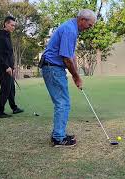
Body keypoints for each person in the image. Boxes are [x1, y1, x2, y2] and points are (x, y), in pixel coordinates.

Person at [40, 9, 96, 147]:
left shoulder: (72, 28)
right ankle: (58, 138)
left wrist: (75, 74)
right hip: (53, 68)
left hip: (53, 68)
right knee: (63, 103)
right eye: (90, 25)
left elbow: (72, 56)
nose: (90, 28)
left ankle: (58, 133)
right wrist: (76, 77)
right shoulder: (70, 30)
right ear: (82, 20)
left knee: (62, 102)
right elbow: (66, 58)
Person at [0, 16, 24, 118]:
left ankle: (14, 108)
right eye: (12, 25)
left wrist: (13, 66)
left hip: (9, 67)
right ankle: (0, 112)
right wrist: (7, 67)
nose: (13, 27)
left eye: (14, 26)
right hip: (4, 69)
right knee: (5, 90)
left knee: (11, 89)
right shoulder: (0, 36)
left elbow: (9, 53)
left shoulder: (7, 35)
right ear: (6, 24)